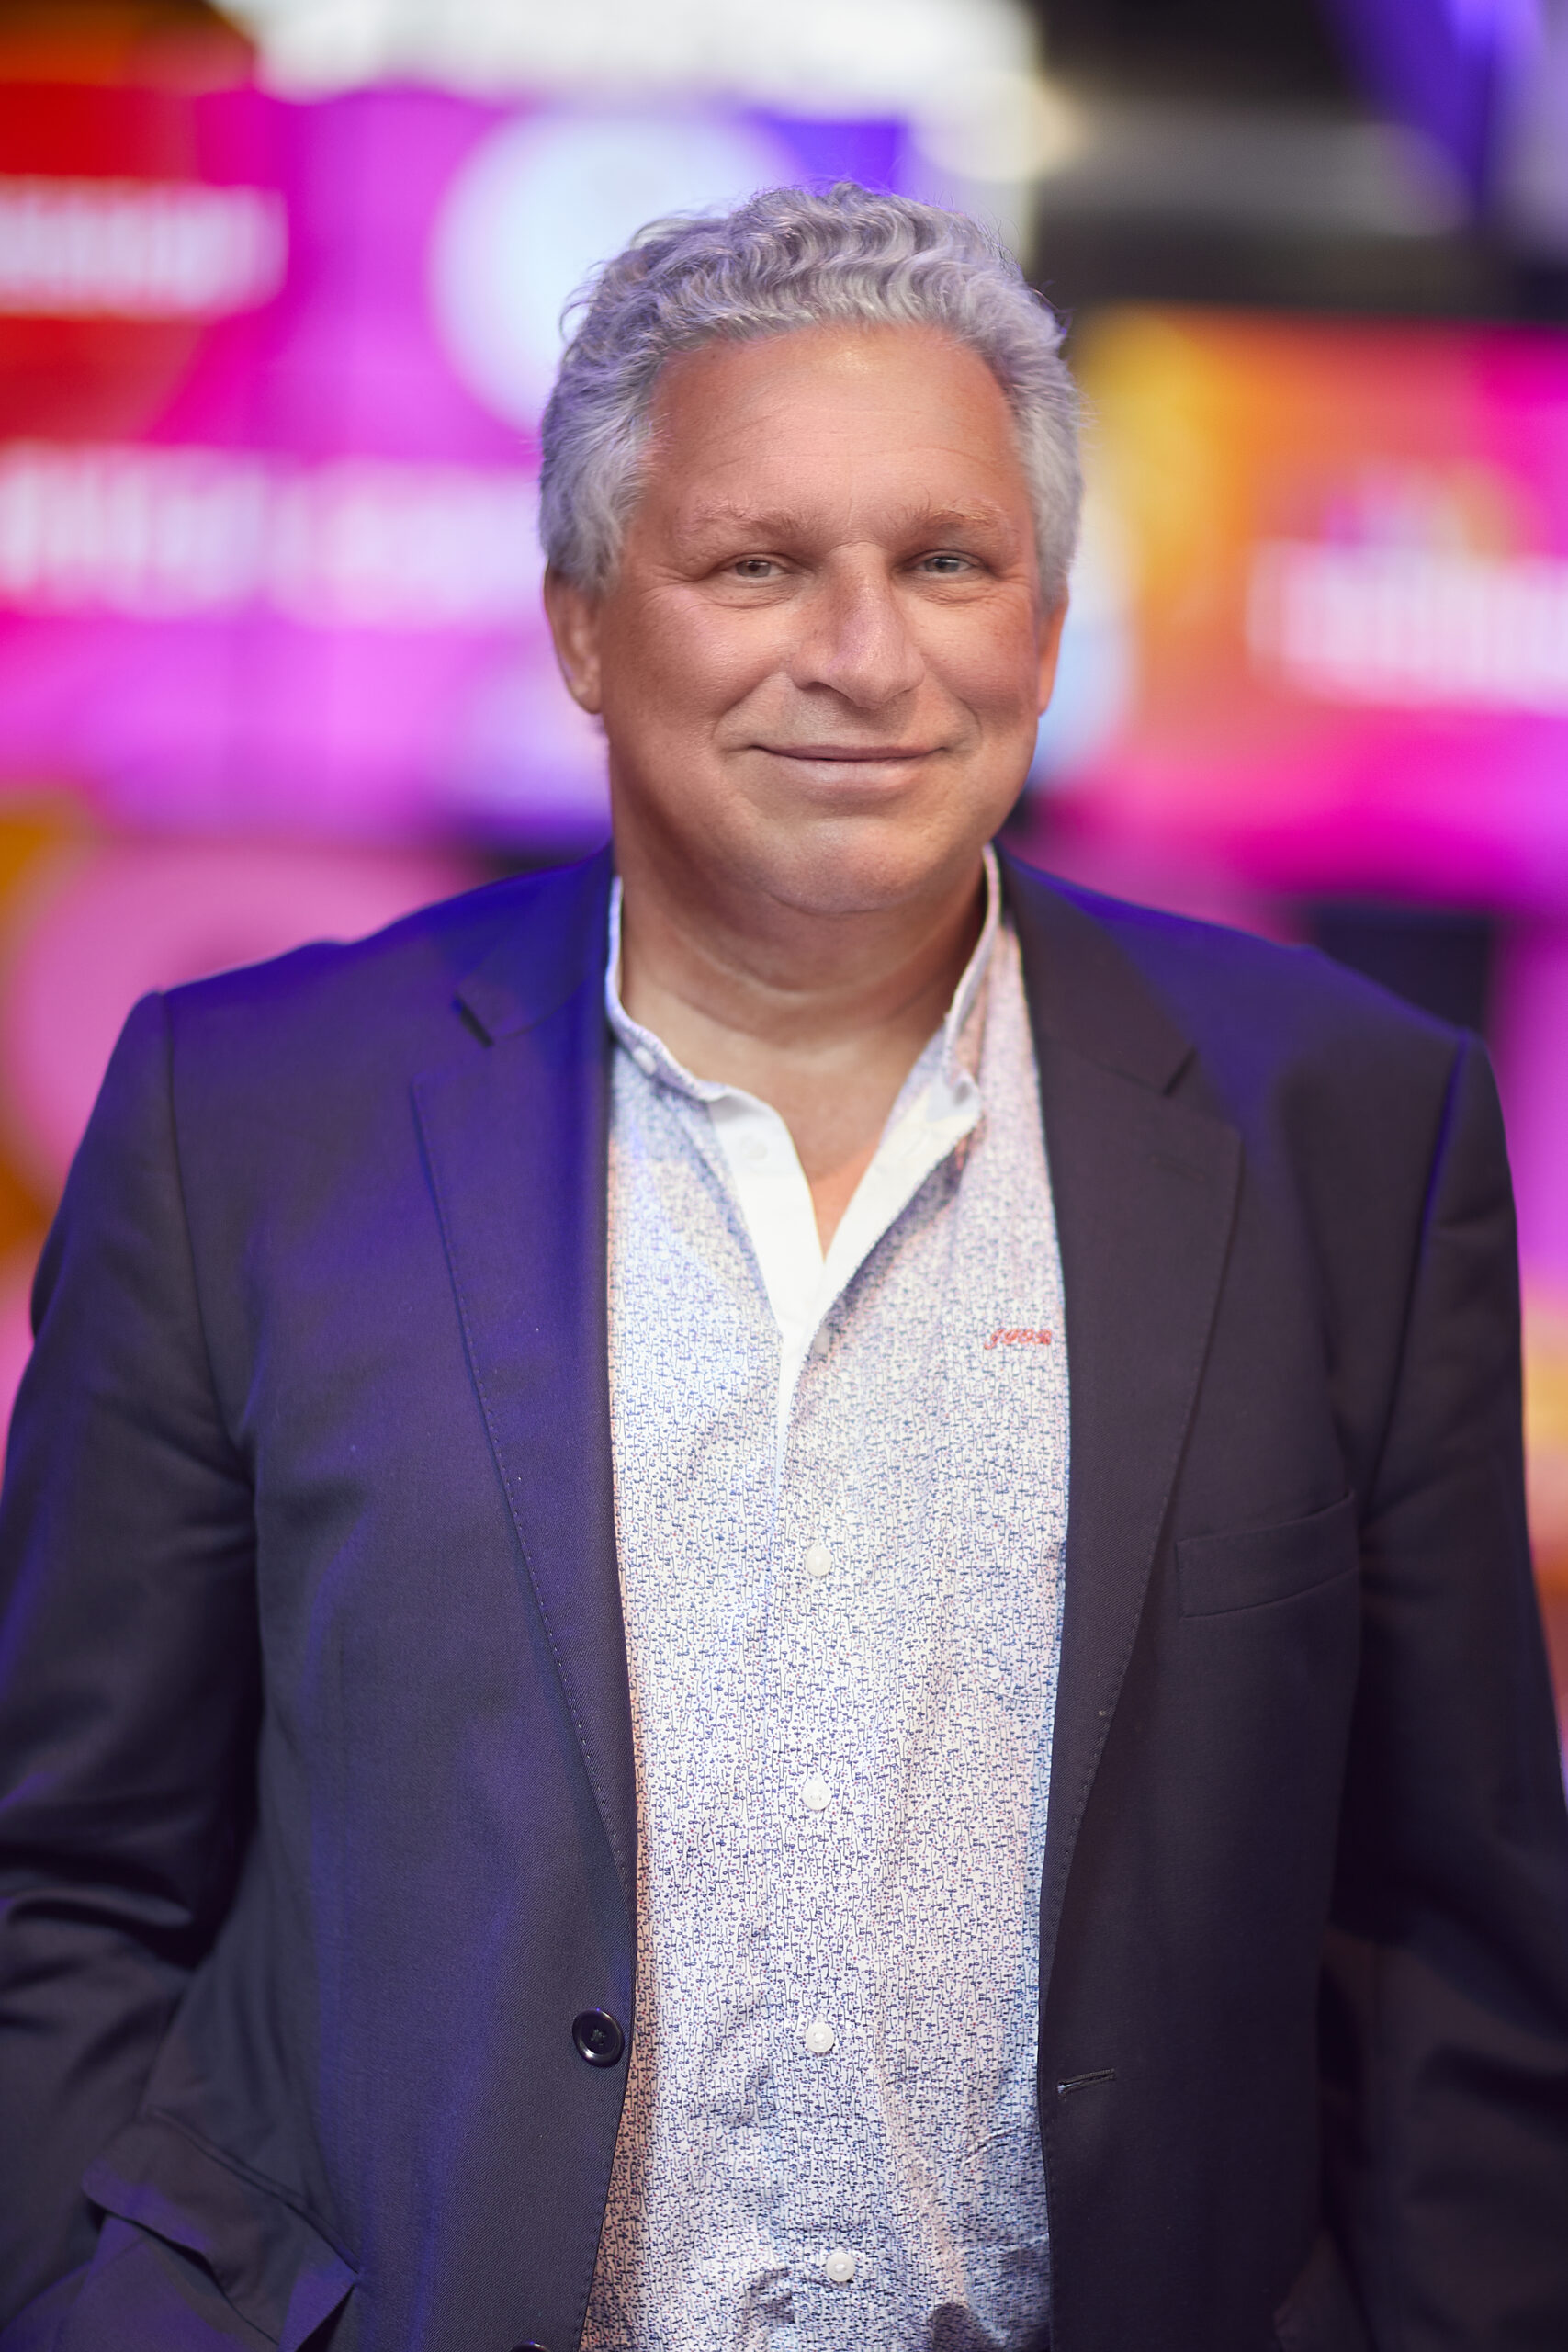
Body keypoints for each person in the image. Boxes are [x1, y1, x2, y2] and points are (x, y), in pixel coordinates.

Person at [2, 181, 1566, 2352]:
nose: (863, 655)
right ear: (580, 625)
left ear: (1044, 623)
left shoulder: (1346, 1129)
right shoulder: (252, 1119)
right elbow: (66, 1870)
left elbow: (1449, 1937)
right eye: (755, 564)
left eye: (945, 562)